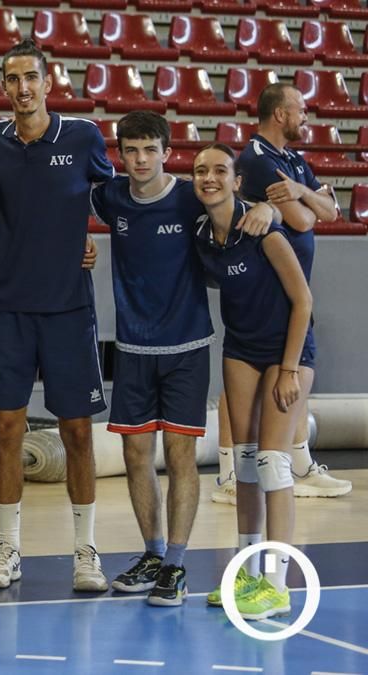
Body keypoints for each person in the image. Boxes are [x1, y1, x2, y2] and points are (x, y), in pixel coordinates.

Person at [91, 111, 275, 606]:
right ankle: (152, 554)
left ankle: (176, 563)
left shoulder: (189, 195)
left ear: (166, 153)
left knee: (179, 457)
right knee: (135, 456)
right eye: (131, 151)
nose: (140, 159)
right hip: (132, 348)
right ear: (120, 155)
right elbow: (65, 198)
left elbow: (235, 203)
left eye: (150, 149)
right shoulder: (111, 197)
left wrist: (270, 211)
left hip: (187, 348)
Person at [0, 39, 114, 592]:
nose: (22, 88)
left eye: (30, 77)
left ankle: (87, 551)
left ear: (48, 81)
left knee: (77, 431)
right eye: (12, 79)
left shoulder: (82, 137)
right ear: (4, 86)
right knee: (6, 428)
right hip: (9, 307)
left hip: (69, 308)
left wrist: (95, 240)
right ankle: (8, 548)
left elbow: (114, 197)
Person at [191, 144, 314, 621]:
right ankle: (246, 572)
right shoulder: (201, 234)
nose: (209, 178)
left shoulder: (264, 230)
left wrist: (288, 370)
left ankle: (278, 586)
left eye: (220, 170)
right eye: (201, 170)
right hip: (241, 350)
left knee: (272, 463)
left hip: (290, 352)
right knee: (243, 466)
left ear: (237, 181)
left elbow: (303, 302)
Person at [211, 82, 350, 501]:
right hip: (263, 289)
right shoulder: (255, 159)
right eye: (301, 109)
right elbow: (307, 222)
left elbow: (331, 211)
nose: (307, 116)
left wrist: (302, 192)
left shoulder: (291, 159)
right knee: (248, 382)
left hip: (292, 290)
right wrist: (302, 202)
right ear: (280, 114)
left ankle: (300, 463)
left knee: (292, 378)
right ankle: (230, 475)